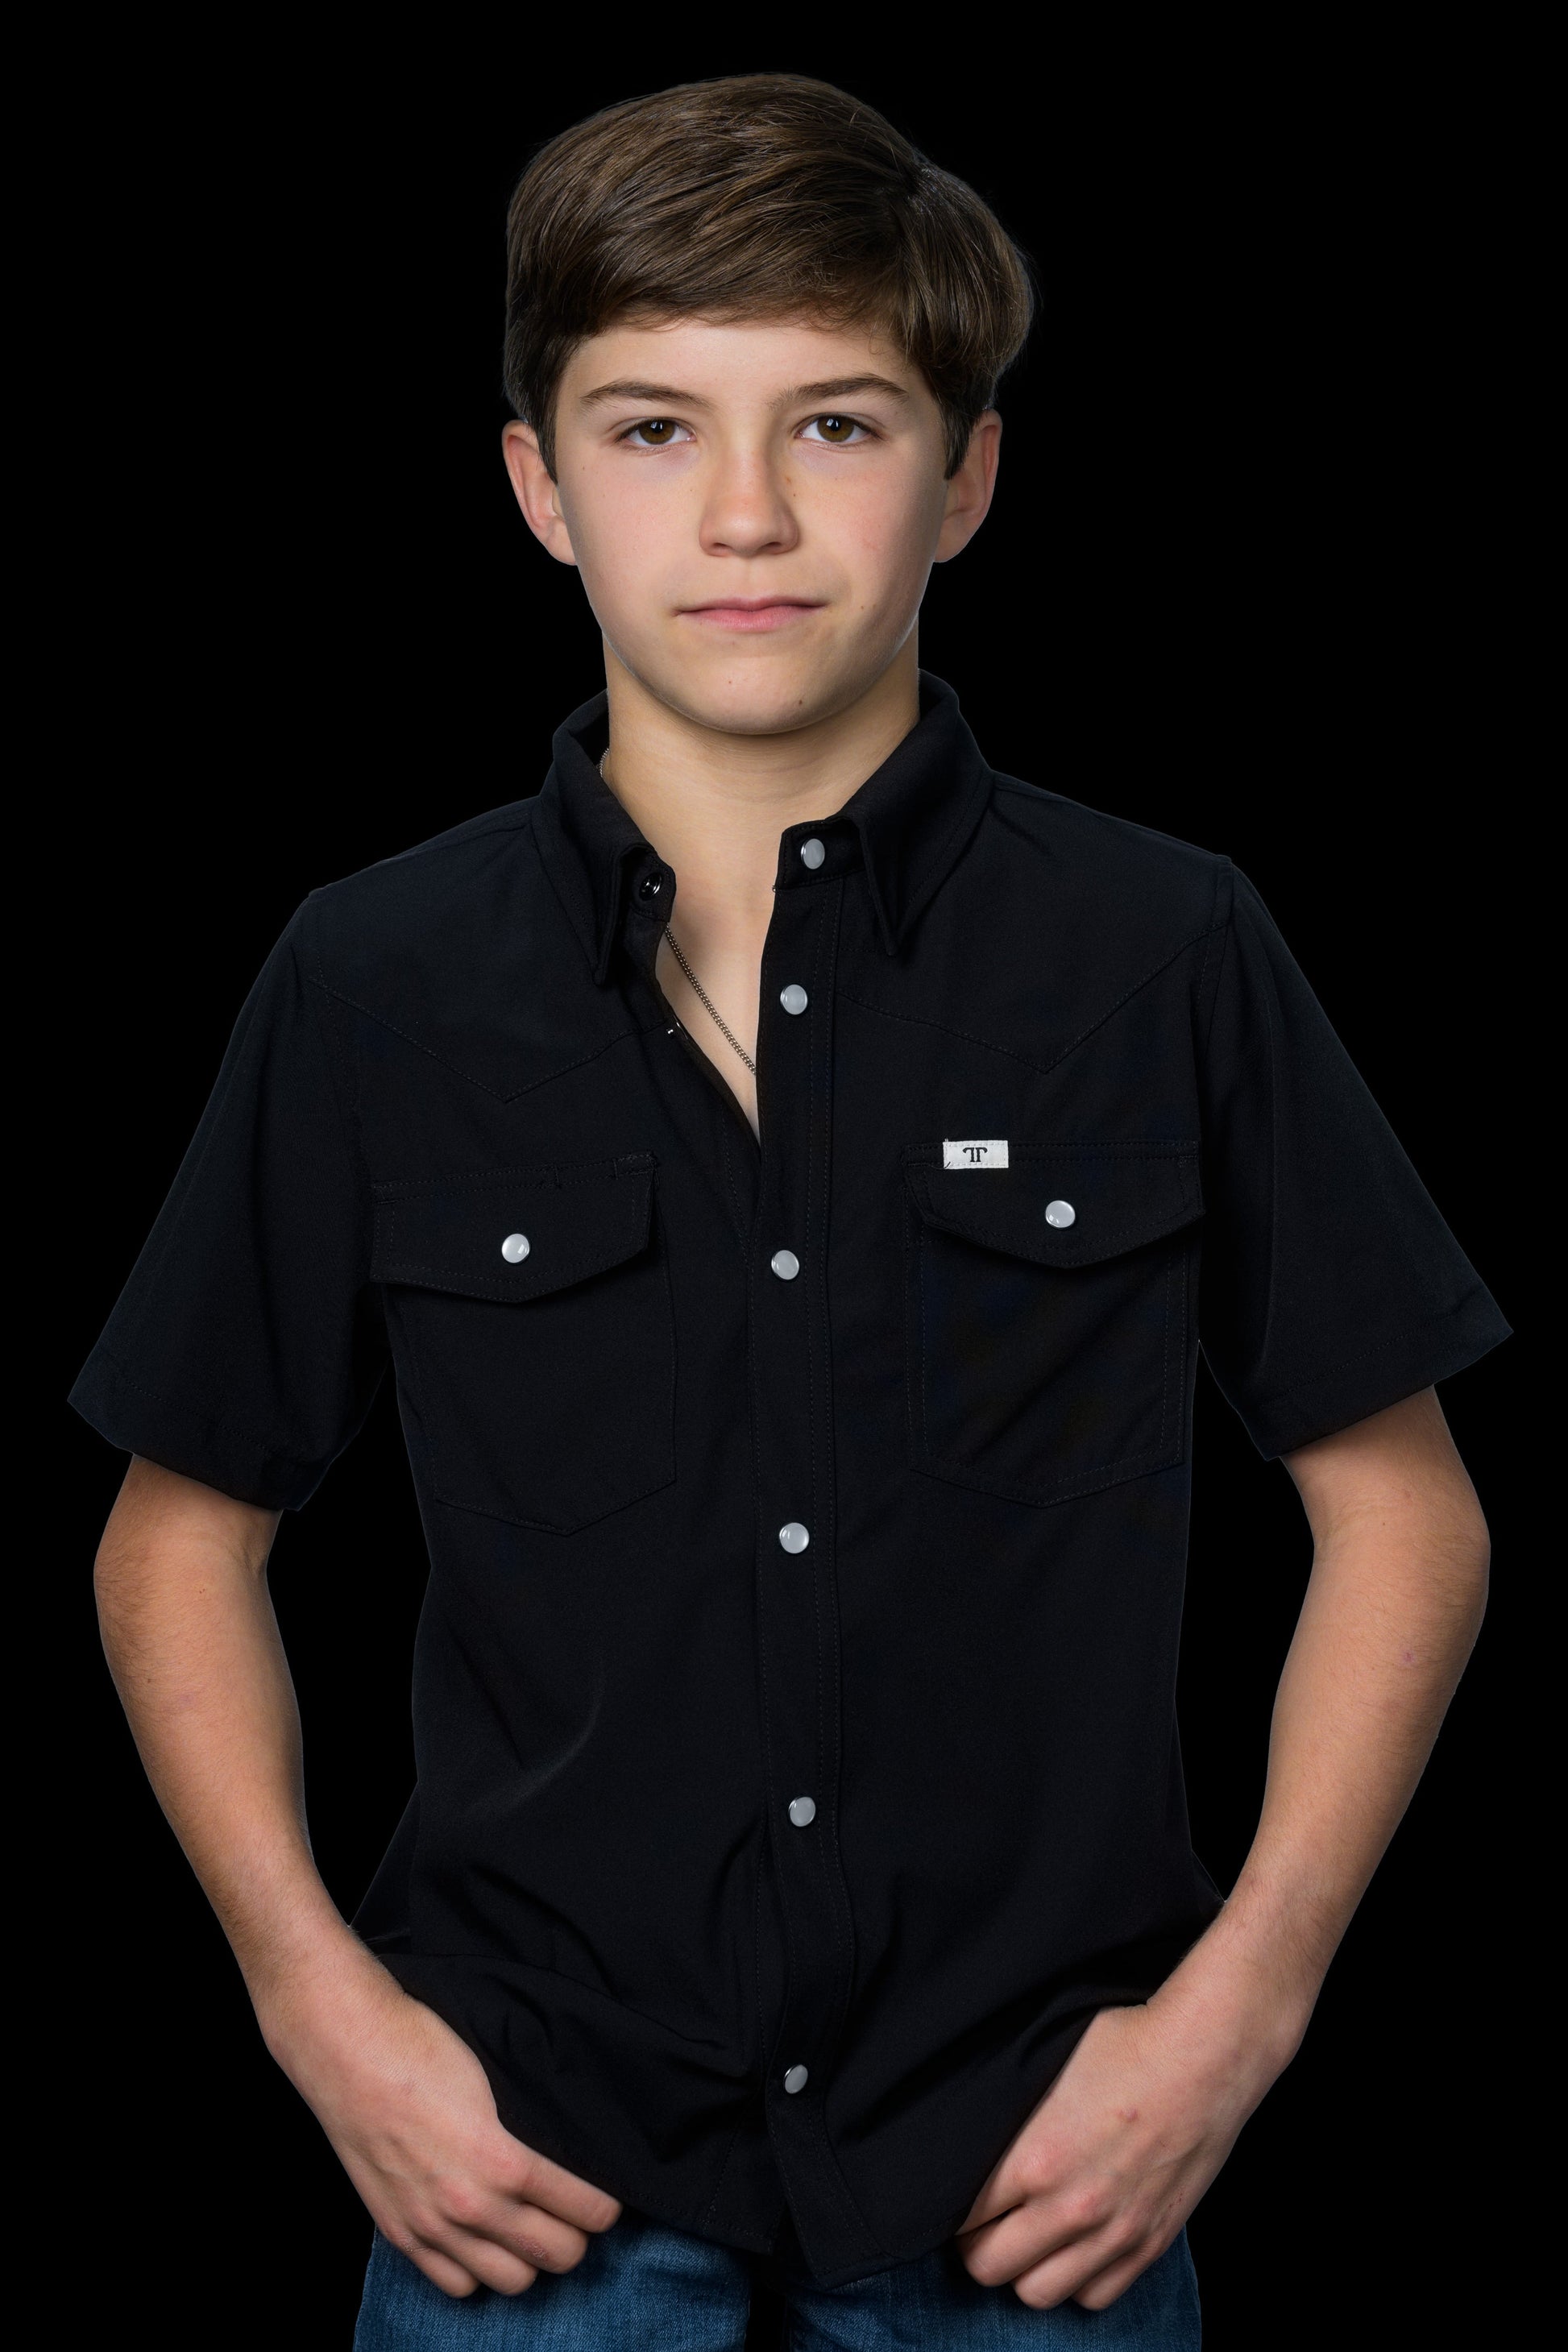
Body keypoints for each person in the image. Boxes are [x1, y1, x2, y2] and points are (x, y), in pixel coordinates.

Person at [76, 74, 1506, 2350]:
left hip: (1037, 2174)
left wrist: (1238, 2015)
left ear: (971, 475)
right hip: (526, 2165)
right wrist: (315, 2010)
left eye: (836, 424)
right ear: (539, 488)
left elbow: (1402, 1512)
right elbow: (178, 1539)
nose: (744, 513)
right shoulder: (373, 976)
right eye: (652, 429)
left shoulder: (1164, 949)